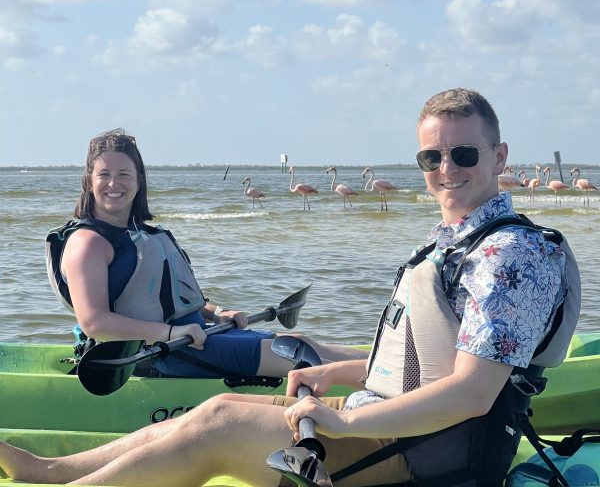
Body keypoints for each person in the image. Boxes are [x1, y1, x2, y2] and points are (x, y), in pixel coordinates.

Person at [2, 89, 580, 486]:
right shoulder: (456, 242)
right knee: (224, 402)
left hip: (430, 456)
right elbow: (419, 365)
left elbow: (473, 394)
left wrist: (346, 423)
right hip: (398, 425)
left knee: (222, 424)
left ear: (499, 157)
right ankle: (53, 471)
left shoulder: (511, 254)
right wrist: (333, 374)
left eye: (463, 153)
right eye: (431, 155)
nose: (445, 167)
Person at [45, 129, 365, 380]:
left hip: (195, 338)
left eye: (124, 174)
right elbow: (94, 323)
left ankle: (402, 375)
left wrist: (217, 313)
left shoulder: (142, 235)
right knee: (298, 356)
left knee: (303, 343)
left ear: (139, 180)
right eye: (104, 175)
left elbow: (171, 298)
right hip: (155, 352)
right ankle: (390, 400)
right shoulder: (87, 243)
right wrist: (172, 333)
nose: (114, 183)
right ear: (89, 181)